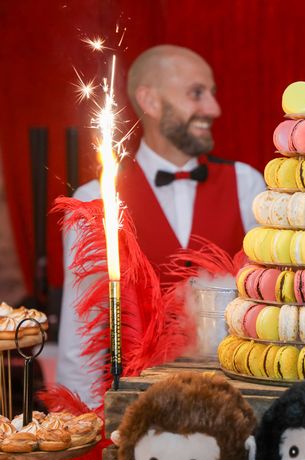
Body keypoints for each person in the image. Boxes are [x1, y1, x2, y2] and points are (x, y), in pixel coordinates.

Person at [57, 45, 265, 406]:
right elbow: (82, 333)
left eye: (212, 95)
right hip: (138, 412)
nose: (213, 109)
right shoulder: (96, 199)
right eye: (196, 93)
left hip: (234, 403)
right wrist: (89, 426)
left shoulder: (248, 184)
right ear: (150, 102)